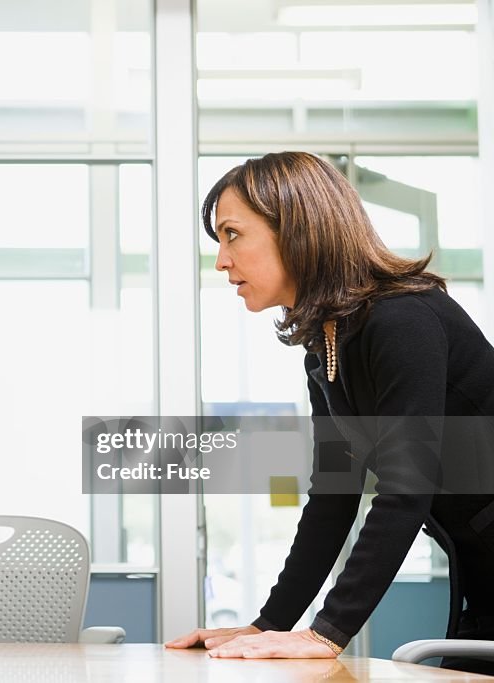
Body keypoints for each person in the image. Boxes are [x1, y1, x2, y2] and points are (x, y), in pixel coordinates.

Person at [166, 151, 494, 674]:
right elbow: (335, 495)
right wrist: (270, 624)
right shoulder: (327, 344)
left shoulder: (402, 319)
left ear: (295, 228)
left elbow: (407, 486)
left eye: (232, 234)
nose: (222, 260)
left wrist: (326, 633)